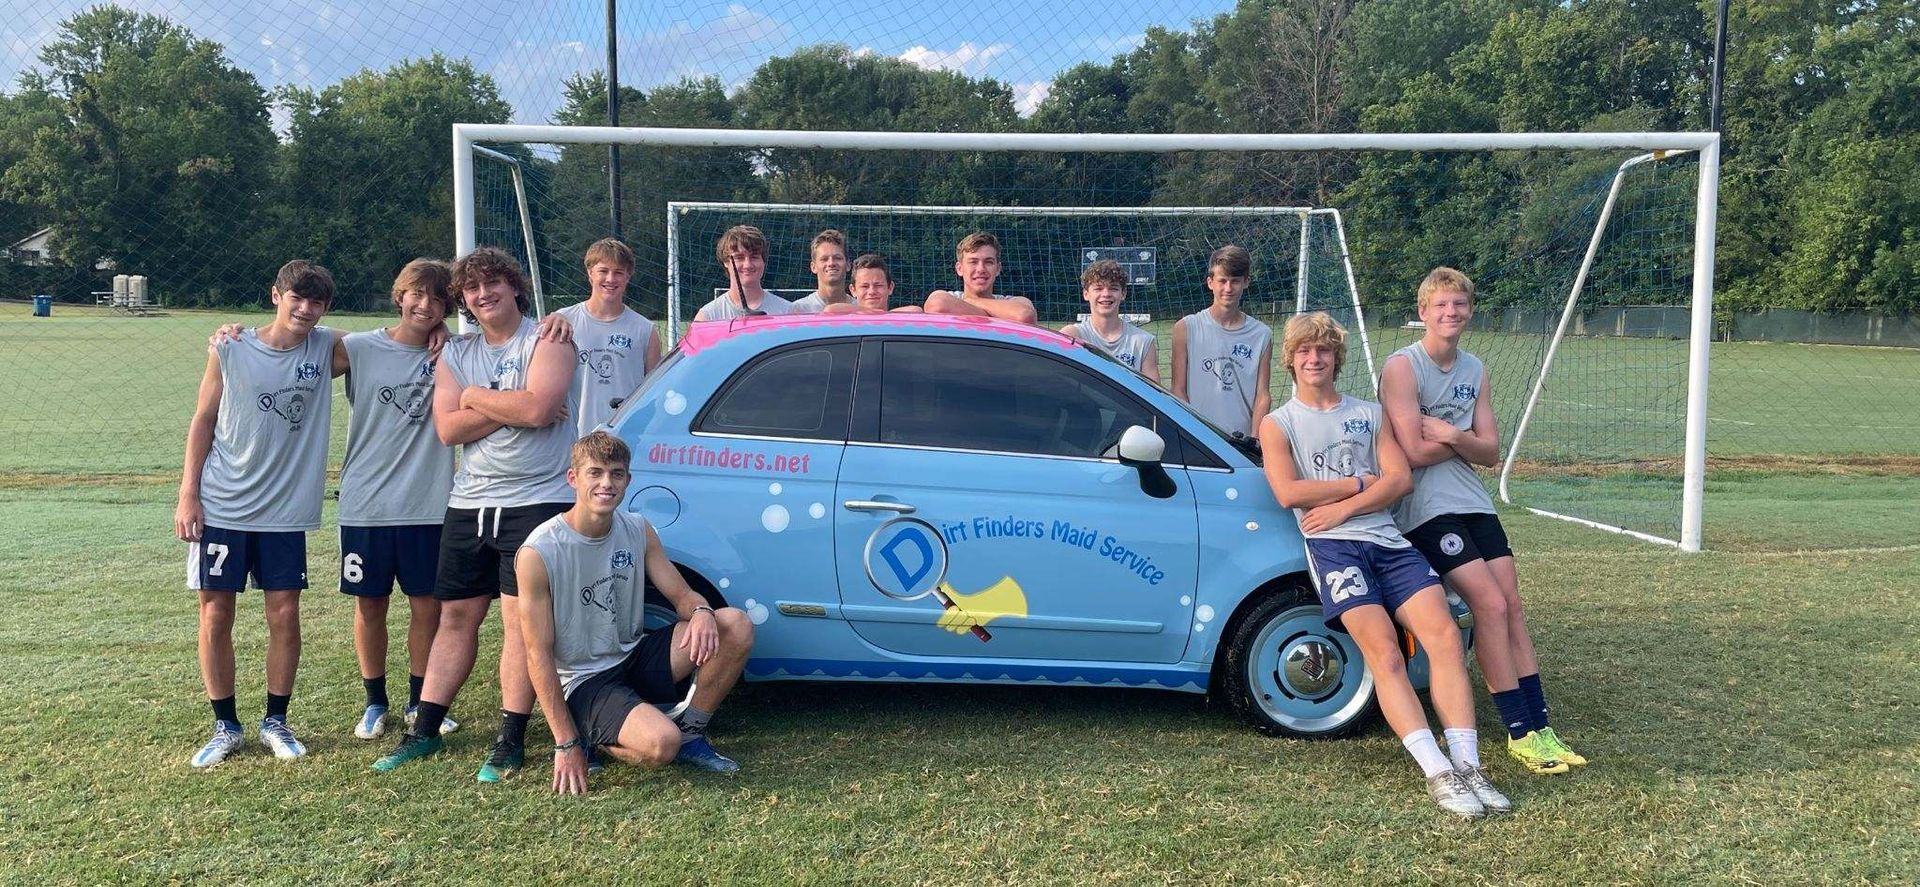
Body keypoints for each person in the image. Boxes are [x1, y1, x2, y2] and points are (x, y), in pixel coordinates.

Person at [1259, 312, 1509, 818]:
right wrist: (1357, 484)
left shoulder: (1368, 413)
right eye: (1305, 351)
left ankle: (1469, 767)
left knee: (1442, 638)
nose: (1315, 359)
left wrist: (1349, 504)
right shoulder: (1278, 422)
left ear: (1336, 358)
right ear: (1290, 359)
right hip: (1334, 549)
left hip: (1389, 542)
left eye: (1324, 351)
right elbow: (1289, 491)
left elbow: (1400, 480)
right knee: (1387, 657)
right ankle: (1438, 772)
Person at [373, 246, 578, 783]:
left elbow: (540, 409)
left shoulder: (549, 338)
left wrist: (476, 399)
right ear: (462, 299)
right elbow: (448, 430)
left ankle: (509, 738)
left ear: (515, 287)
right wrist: (507, 402)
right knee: (456, 618)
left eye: (493, 283)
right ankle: (424, 730)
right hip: (469, 504)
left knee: (519, 623)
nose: (483, 294)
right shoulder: (457, 353)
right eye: (471, 288)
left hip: (536, 499)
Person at [1378, 266, 1584, 775]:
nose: (1451, 313)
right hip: (1426, 510)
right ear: (1423, 312)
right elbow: (1410, 452)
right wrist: (1460, 442)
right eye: (1441, 306)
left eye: (1460, 305)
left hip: (1474, 502)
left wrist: (1448, 433)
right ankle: (1518, 732)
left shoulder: (1476, 369)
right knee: (1488, 603)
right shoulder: (1403, 367)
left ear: (1470, 311)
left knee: (1512, 604)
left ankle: (1542, 726)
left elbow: (1490, 452)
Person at [520, 431, 758, 792]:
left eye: (616, 474)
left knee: (735, 625)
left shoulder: (637, 529)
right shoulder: (540, 551)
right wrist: (565, 743)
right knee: (662, 744)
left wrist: (703, 612)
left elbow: (682, 595)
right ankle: (591, 736)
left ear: (628, 481)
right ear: (573, 478)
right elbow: (537, 654)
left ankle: (692, 734)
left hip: (632, 654)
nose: (606, 483)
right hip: (586, 680)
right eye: (595, 473)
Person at [175, 260, 337, 767]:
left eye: (316, 303)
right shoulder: (231, 347)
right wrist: (188, 494)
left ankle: (276, 722)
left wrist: (437, 328)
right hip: (223, 504)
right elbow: (202, 419)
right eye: (297, 298)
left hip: (284, 513)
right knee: (215, 612)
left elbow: (398, 337)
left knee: (284, 614)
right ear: (276, 295)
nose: (305, 309)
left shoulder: (329, 346)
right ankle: (225, 726)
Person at [337, 260, 461, 742]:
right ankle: (374, 702)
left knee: (426, 605)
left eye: (436, 299)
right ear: (399, 294)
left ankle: (418, 700)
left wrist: (448, 335)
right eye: (416, 294)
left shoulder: (452, 354)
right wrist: (233, 334)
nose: (424, 305)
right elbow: (294, 338)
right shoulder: (360, 348)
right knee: (370, 604)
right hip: (366, 504)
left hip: (429, 505)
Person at [556, 238, 663, 437]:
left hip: (625, 439)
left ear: (628, 276)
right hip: (573, 440)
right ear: (590, 273)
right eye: (603, 271)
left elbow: (654, 394)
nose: (610, 279)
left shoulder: (645, 330)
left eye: (618, 272)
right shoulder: (563, 321)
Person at [1172, 245, 1272, 436]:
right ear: (1210, 282)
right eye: (1222, 281)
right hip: (1199, 440)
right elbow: (1178, 389)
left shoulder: (1261, 334)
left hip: (1241, 441)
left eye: (1235, 281)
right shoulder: (1186, 328)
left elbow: (1262, 395)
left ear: (1246, 282)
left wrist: (1255, 440)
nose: (1228, 288)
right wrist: (1192, 434)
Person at [1060, 258, 1159, 384]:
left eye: (1113, 288)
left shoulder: (1143, 341)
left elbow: (1153, 393)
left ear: (1123, 294)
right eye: (1098, 288)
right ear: (1086, 294)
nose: (1106, 294)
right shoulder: (1072, 336)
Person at [922, 231, 1039, 325]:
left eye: (988, 262)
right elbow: (937, 305)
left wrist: (972, 301)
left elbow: (1024, 315)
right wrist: (1000, 316)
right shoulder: (949, 297)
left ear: (998, 268)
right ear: (959, 268)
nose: (981, 269)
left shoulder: (1014, 301)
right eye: (973, 262)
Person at [692, 225, 794, 320]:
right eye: (739, 258)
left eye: (754, 257)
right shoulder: (708, 316)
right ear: (725, 262)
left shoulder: (789, 312)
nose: (748, 265)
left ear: (764, 261)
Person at [823, 254, 923, 314]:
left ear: (890, 287)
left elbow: (916, 311)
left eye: (878, 285)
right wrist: (872, 313)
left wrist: (883, 315)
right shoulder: (845, 320)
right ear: (853, 290)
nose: (871, 292)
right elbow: (830, 310)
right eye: (865, 286)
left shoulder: (900, 321)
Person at [788, 229, 852, 313]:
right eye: (824, 259)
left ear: (848, 265)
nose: (831, 263)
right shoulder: (799, 310)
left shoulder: (860, 309)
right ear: (813, 267)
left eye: (837, 258)